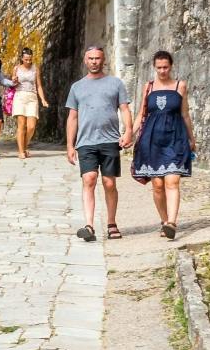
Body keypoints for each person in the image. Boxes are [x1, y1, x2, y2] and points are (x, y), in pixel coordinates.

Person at [64, 43, 132, 243]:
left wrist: (128, 131)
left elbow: (125, 109)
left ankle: (111, 223)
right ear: (85, 61)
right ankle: (89, 225)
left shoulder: (115, 84)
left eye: (97, 58)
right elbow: (72, 117)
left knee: (109, 183)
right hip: (86, 142)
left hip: (110, 140)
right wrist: (70, 145)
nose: (94, 62)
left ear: (104, 60)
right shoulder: (77, 87)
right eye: (91, 58)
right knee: (89, 179)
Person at [131, 48, 195, 238]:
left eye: (165, 67)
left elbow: (185, 114)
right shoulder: (148, 87)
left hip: (175, 138)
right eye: (159, 67)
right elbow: (142, 114)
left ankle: (172, 223)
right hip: (151, 141)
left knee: (172, 181)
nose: (162, 71)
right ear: (154, 67)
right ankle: (164, 221)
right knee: (157, 185)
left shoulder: (180, 86)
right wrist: (129, 134)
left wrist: (192, 138)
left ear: (171, 66)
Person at [10, 49, 47, 158]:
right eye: (26, 59)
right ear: (22, 58)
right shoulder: (16, 68)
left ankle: (24, 146)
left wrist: (43, 99)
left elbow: (39, 85)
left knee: (31, 126)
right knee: (21, 125)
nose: (28, 61)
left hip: (32, 97)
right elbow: (13, 84)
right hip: (20, 96)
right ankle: (21, 151)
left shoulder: (35, 69)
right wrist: (14, 80)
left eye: (30, 59)